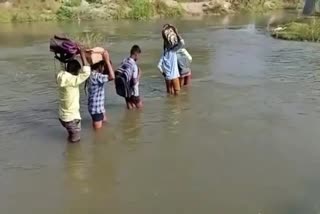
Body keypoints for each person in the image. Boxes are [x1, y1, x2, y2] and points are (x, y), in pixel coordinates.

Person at [57, 49, 90, 143]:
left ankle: (68, 153)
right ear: (75, 71)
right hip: (71, 118)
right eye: (78, 71)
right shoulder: (72, 81)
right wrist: (82, 54)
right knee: (76, 141)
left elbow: (64, 66)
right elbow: (87, 72)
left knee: (71, 136)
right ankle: (71, 156)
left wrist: (72, 56)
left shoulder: (61, 76)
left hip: (63, 117)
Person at [86, 47, 115, 130]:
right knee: (98, 134)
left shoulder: (90, 73)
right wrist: (107, 61)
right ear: (100, 66)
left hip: (98, 108)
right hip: (96, 109)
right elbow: (112, 77)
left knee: (105, 124)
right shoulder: (96, 76)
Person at [158, 26, 184, 95]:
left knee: (169, 93)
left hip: (167, 77)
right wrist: (176, 32)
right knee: (177, 94)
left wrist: (163, 73)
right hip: (174, 76)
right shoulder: (173, 51)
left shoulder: (164, 54)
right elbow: (182, 42)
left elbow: (159, 66)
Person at [115, 45, 142, 109]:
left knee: (130, 106)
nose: (139, 57)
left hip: (125, 89)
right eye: (139, 55)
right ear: (136, 54)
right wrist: (139, 74)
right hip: (133, 91)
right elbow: (135, 81)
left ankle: (130, 118)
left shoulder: (124, 60)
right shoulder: (134, 65)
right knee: (140, 109)